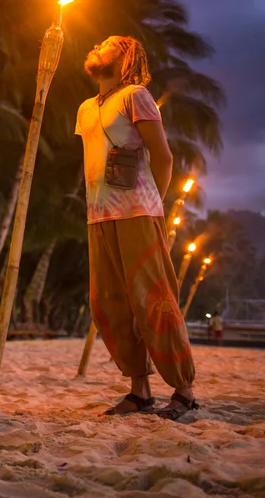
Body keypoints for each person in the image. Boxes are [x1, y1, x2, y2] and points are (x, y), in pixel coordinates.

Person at [76, 35, 198, 421]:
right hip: (99, 214)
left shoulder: (135, 95)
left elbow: (163, 156)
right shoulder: (84, 109)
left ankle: (183, 389)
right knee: (110, 303)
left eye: (108, 44)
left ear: (125, 58)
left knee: (154, 297)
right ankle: (139, 391)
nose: (98, 45)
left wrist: (154, 205)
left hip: (138, 213)